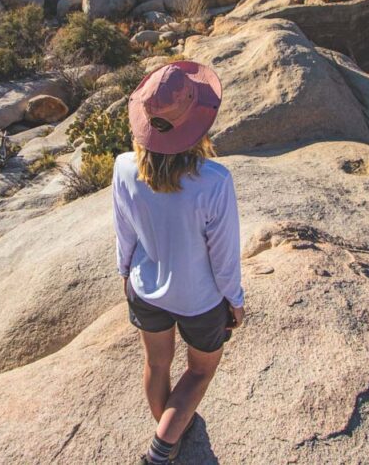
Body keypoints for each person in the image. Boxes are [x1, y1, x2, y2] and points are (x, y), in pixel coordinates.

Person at [113, 61, 245, 464]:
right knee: (200, 372)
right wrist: (235, 301)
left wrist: (124, 273)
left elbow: (125, 232)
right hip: (200, 299)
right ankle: (163, 446)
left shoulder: (124, 167)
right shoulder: (214, 181)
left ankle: (172, 427)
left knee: (156, 363)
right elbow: (223, 256)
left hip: (145, 289)